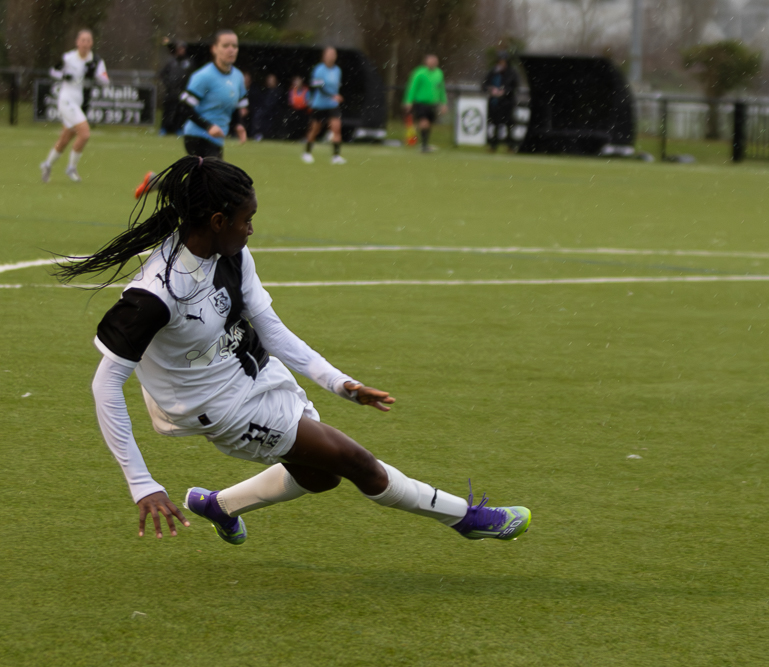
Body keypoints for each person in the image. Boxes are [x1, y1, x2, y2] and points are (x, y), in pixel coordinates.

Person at [58, 156, 532, 545]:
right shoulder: (155, 294)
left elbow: (271, 328)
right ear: (218, 220)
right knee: (356, 463)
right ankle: (466, 519)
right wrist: (143, 484)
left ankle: (218, 505)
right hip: (219, 406)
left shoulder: (231, 254)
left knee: (321, 475)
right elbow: (105, 383)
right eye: (247, 221)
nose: (251, 230)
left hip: (251, 371)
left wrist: (340, 383)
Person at [134, 29, 247, 198]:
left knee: (200, 185)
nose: (231, 49)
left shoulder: (237, 76)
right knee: (218, 181)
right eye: (225, 45)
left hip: (216, 139)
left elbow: (237, 104)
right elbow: (184, 108)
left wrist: (239, 125)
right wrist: (208, 126)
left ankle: (157, 183)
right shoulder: (204, 76)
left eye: (234, 46)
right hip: (197, 136)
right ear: (214, 49)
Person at [39, 29, 110, 184]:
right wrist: (64, 75)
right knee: (85, 134)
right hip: (66, 100)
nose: (85, 43)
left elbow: (105, 80)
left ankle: (47, 165)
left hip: (79, 103)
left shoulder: (96, 61)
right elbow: (53, 71)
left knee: (65, 139)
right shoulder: (68, 58)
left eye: (88, 40)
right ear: (77, 42)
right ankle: (71, 168)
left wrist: (95, 74)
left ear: (92, 43)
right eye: (82, 40)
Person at [302, 47, 346, 164]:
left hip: (332, 105)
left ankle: (336, 156)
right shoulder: (319, 70)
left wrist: (334, 97)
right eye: (329, 54)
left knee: (336, 128)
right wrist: (332, 95)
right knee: (315, 130)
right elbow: (318, 86)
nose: (331, 56)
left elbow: (336, 87)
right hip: (319, 105)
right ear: (324, 56)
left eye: (333, 54)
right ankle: (307, 153)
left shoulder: (337, 70)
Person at [403, 54, 447, 153]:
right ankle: (424, 145)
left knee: (428, 124)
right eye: (431, 60)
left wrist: (443, 103)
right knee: (424, 122)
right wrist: (408, 101)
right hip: (421, 102)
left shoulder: (439, 73)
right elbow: (412, 87)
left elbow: (441, 89)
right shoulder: (419, 72)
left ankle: (423, 142)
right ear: (426, 61)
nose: (433, 63)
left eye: (435, 61)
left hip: (433, 103)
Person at [481, 52, 519, 152]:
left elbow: (514, 86)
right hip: (495, 102)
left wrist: (505, 92)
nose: (501, 64)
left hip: (507, 103)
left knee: (509, 125)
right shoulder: (493, 72)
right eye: (500, 61)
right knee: (495, 124)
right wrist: (491, 89)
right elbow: (484, 85)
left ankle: (511, 146)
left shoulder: (511, 72)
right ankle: (493, 145)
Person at [158, 39, 191, 135]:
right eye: (179, 48)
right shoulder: (171, 62)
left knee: (181, 112)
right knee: (167, 111)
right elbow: (162, 75)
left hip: (183, 92)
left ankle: (179, 129)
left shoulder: (188, 62)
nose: (181, 50)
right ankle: (164, 129)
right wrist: (168, 84)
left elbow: (192, 76)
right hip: (171, 92)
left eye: (183, 48)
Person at [252, 74, 284, 141]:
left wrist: (262, 111)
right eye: (269, 80)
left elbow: (271, 105)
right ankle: (258, 134)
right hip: (265, 113)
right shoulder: (264, 91)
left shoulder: (278, 92)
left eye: (272, 80)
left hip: (273, 113)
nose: (270, 81)